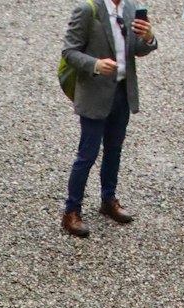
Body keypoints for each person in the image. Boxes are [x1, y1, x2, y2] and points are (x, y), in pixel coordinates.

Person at [61, 0, 158, 239]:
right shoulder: (87, 10)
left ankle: (108, 199)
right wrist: (94, 64)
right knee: (87, 154)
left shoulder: (130, 8)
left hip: (122, 92)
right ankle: (71, 210)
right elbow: (69, 51)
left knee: (114, 149)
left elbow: (138, 49)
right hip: (95, 94)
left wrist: (148, 38)